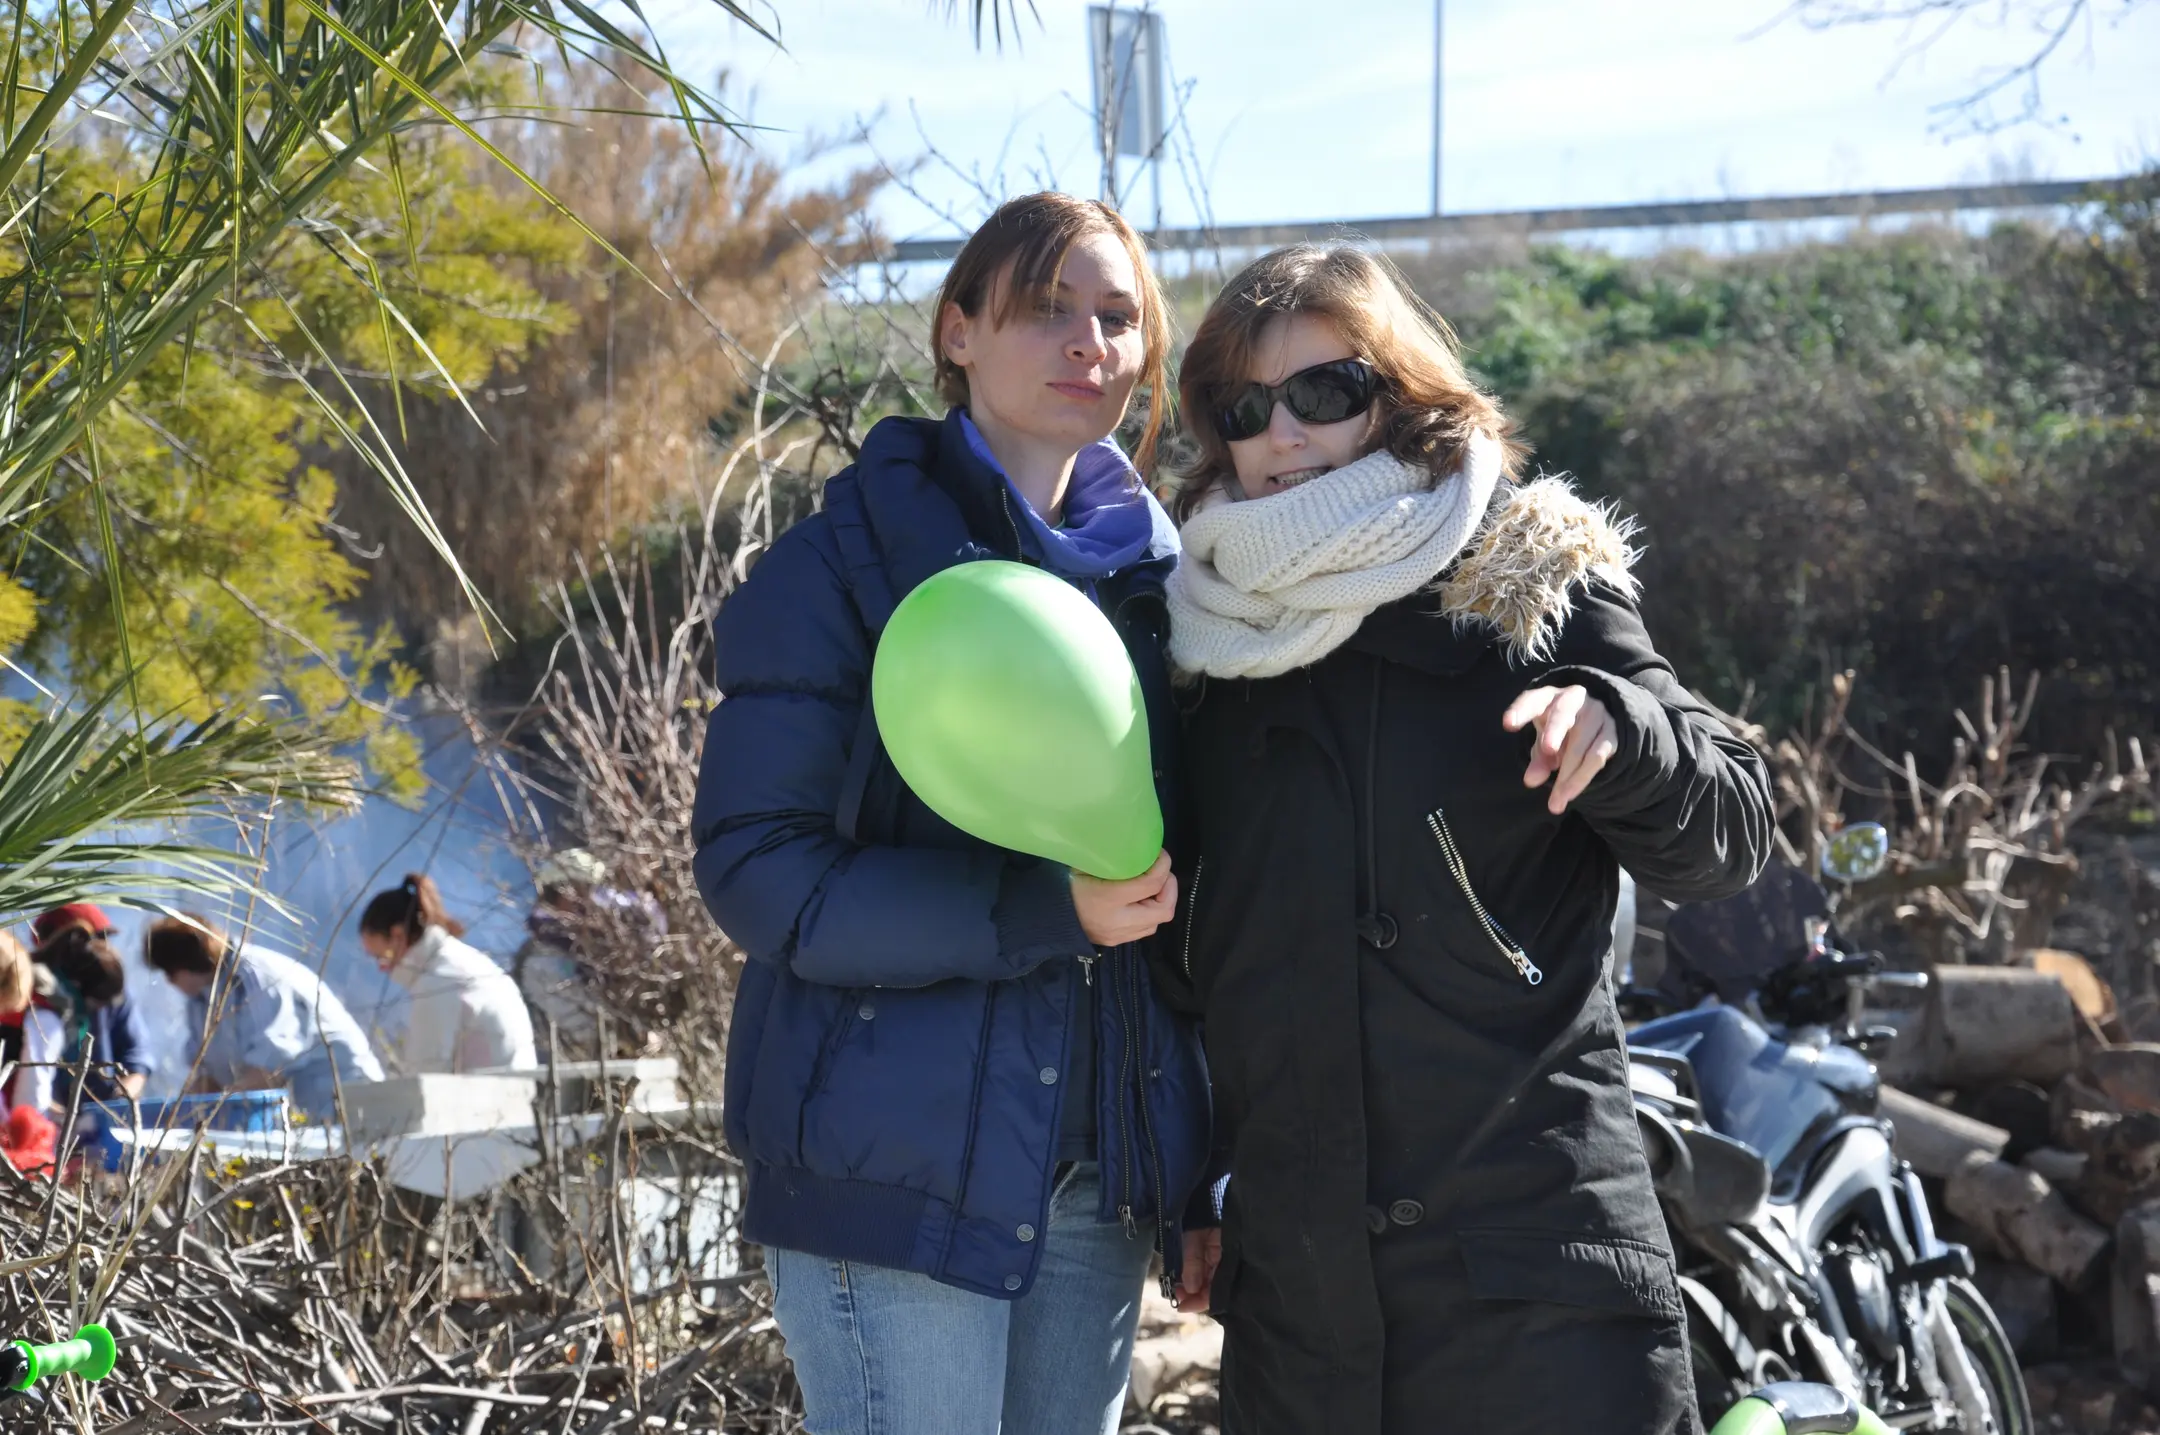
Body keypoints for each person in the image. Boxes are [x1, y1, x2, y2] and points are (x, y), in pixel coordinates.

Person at [1158, 245, 1775, 1435]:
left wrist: (1627, 729)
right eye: (1245, 407)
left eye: (1324, 392)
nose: (1283, 432)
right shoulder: (1198, 640)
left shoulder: (1521, 568)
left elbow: (1732, 831)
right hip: (1302, 1321)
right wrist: (1198, 1174)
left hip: (1539, 1294)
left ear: (1400, 389)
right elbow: (1208, 970)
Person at [691, 191, 1209, 1435]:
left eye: (1116, 316)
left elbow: (1180, 897)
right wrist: (1041, 911)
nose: (1090, 341)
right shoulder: (842, 564)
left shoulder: (1175, 585)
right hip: (893, 1167)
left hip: (1093, 1184)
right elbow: (758, 867)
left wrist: (1190, 1162)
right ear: (958, 331)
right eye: (1046, 309)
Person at [145, 914, 383, 1123]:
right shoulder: (201, 1001)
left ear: (189, 962)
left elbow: (271, 1066)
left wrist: (218, 1112)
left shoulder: (259, 978)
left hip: (345, 1104)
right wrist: (178, 1119)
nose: (169, 982)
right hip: (300, 1119)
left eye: (170, 972)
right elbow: (206, 1075)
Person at [359, 873, 537, 1074]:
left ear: (398, 935)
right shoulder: (468, 962)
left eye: (381, 956)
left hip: (488, 1101)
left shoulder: (437, 982)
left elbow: (425, 1080)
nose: (383, 968)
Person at [514, 848, 667, 1054]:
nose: (589, 899)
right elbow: (581, 1028)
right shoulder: (543, 957)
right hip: (569, 1068)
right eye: (581, 889)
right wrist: (626, 1035)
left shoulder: (588, 945)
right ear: (560, 894)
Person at [29, 903, 154, 1103]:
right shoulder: (30, 1001)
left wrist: (122, 1098)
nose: (101, 949)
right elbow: (26, 1086)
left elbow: (137, 1054)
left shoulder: (108, 986)